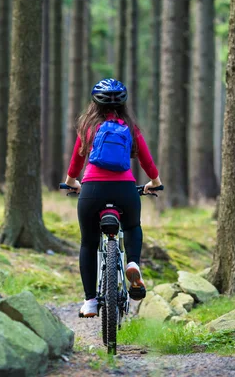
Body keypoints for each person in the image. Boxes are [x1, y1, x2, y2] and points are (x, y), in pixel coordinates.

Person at [63, 78, 162, 317]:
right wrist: (155, 182)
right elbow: (146, 159)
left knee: (88, 242)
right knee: (131, 226)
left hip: (92, 190)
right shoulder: (129, 126)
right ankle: (133, 263)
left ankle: (89, 302)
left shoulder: (88, 126)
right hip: (125, 189)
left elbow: (76, 162)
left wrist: (71, 182)